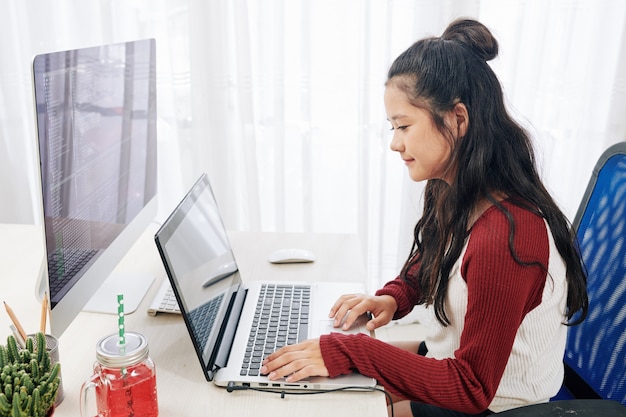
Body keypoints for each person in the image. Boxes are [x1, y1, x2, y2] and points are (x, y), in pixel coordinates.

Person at [260, 18, 588, 417]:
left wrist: (354, 350)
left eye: (404, 126)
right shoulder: (457, 188)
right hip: (454, 364)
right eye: (392, 127)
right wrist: (394, 296)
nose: (396, 143)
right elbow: (438, 260)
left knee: (336, 396)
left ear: (457, 120)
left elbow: (471, 389)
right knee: (321, 379)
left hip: (493, 404)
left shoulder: (508, 237)